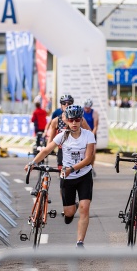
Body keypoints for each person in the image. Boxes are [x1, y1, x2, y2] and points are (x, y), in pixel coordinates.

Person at [25, 105, 95, 247]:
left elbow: (88, 158)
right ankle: (72, 207)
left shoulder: (88, 135)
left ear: (81, 120)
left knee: (84, 207)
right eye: (71, 120)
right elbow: (46, 150)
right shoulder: (62, 136)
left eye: (77, 120)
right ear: (67, 121)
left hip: (84, 175)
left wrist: (72, 168)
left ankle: (80, 242)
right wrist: (33, 163)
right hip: (67, 177)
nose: (74, 123)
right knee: (68, 214)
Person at [45, 94, 91, 170]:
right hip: (63, 150)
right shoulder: (56, 121)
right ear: (61, 105)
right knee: (62, 173)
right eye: (64, 103)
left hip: (78, 149)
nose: (66, 105)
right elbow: (51, 139)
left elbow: (89, 134)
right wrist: (46, 151)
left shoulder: (80, 119)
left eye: (69, 103)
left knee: (79, 172)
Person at [82, 98, 99, 176]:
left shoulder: (94, 113)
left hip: (91, 133)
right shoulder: (81, 112)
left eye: (88, 108)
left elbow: (95, 126)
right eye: (86, 108)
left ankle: (91, 167)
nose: (87, 109)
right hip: (83, 134)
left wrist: (92, 135)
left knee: (93, 152)